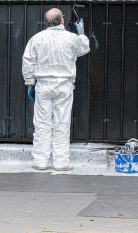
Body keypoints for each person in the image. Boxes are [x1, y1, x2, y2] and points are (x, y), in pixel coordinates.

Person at [22, 8, 90, 171]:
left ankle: (40, 161)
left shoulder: (37, 39)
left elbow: (28, 61)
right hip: (64, 85)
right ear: (62, 20)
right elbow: (84, 49)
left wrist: (30, 83)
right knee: (62, 123)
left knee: (42, 124)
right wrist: (81, 33)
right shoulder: (72, 38)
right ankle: (61, 162)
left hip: (43, 85)